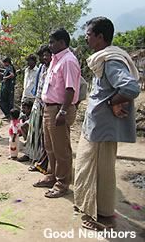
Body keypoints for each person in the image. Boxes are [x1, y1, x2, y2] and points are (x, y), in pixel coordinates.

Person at [74, 17, 140, 231]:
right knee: (88, 165)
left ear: (100, 37)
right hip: (96, 127)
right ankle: (89, 205)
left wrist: (113, 102)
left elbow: (130, 88)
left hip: (103, 129)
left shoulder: (111, 61)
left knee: (103, 173)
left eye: (89, 34)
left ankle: (105, 218)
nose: (86, 37)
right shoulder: (103, 60)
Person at [33, 28, 81, 199]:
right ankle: (51, 175)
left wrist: (63, 111)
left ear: (62, 42)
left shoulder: (68, 61)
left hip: (59, 109)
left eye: (52, 42)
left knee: (61, 149)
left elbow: (70, 89)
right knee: (50, 147)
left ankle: (62, 183)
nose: (49, 45)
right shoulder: (55, 60)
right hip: (49, 108)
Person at [26, 45, 52, 171]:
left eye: (45, 55)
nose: (43, 58)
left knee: (45, 137)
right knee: (35, 133)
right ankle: (34, 157)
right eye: (41, 56)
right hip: (38, 103)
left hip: (48, 106)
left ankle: (43, 163)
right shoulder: (42, 67)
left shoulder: (54, 67)